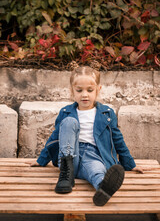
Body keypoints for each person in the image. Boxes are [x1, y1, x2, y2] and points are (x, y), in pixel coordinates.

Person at [28, 66, 143, 206]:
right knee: (69, 122)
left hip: (95, 155)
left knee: (97, 171)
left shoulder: (107, 114)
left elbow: (118, 139)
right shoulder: (65, 112)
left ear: (98, 90)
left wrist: (129, 164)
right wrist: (41, 160)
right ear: (72, 91)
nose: (84, 95)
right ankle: (66, 176)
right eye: (79, 90)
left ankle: (103, 188)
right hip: (70, 155)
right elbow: (55, 138)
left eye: (90, 90)